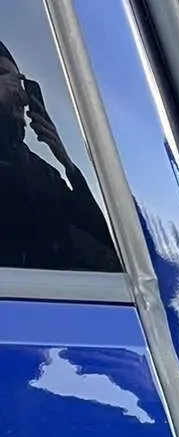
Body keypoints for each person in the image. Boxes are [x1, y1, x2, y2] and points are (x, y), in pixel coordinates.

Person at [0, 39, 119, 271]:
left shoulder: (43, 173)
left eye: (19, 80)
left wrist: (68, 165)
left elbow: (105, 242)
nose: (18, 90)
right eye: (3, 75)